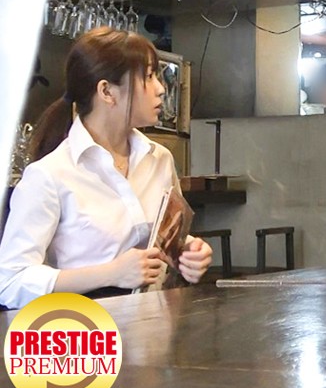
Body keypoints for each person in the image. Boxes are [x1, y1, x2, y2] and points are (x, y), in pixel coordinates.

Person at [0, 28, 213, 309]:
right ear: (107, 92)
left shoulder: (159, 158)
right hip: (86, 330)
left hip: (155, 326)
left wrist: (187, 253)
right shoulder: (50, 175)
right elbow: (10, 282)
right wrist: (110, 273)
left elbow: (162, 243)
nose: (161, 88)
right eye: (148, 77)